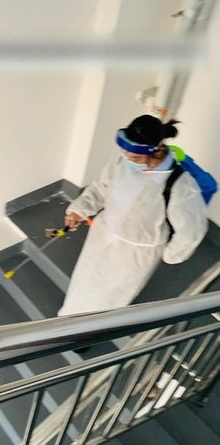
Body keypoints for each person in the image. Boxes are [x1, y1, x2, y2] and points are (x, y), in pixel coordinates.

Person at [58, 114, 208, 317]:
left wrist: (171, 254)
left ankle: (91, 330)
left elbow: (191, 230)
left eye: (135, 157)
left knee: (108, 299)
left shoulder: (179, 184)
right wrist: (80, 209)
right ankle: (66, 319)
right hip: (102, 236)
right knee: (83, 282)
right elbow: (101, 188)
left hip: (134, 254)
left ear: (156, 151)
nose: (128, 159)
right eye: (125, 153)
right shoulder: (123, 159)